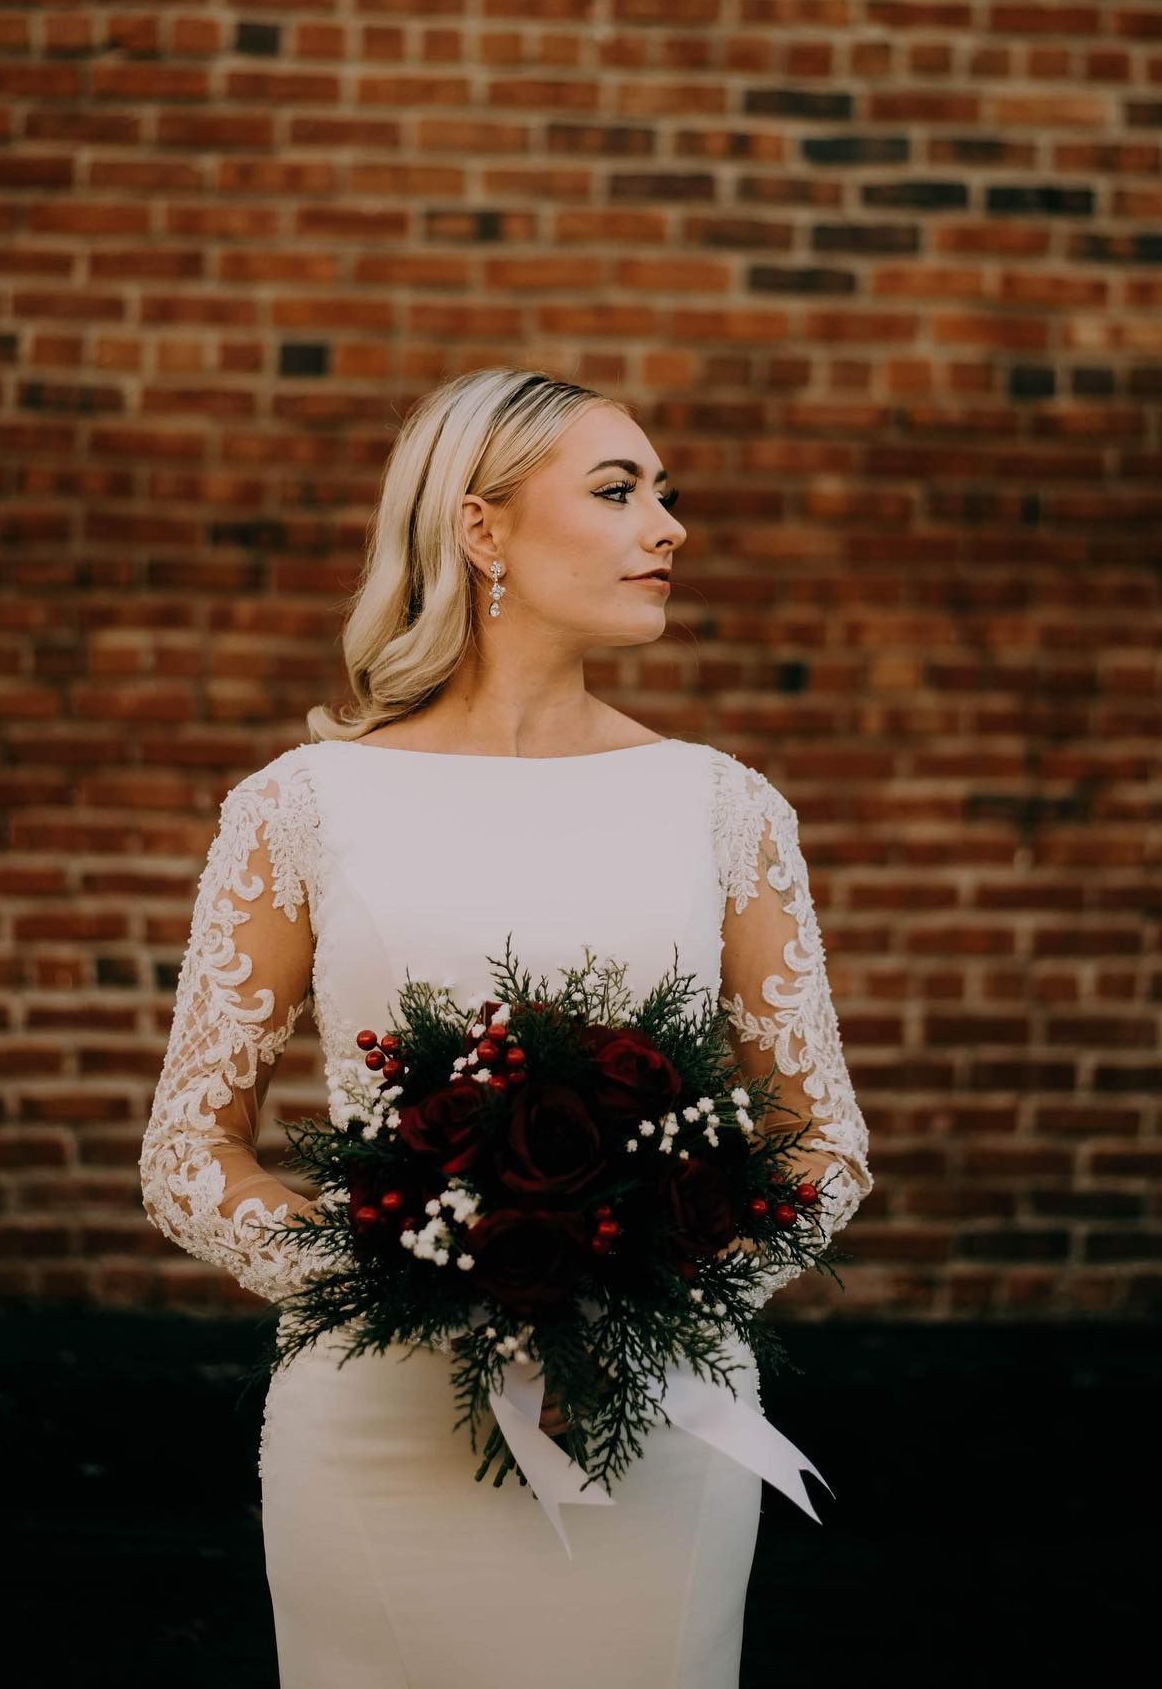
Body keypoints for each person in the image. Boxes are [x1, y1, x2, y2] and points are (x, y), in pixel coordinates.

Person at [139, 367, 873, 1689]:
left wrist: (658, 1281)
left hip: (655, 1425)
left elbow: (822, 1140)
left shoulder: (722, 808)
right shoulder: (303, 807)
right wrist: (395, 1282)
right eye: (618, 490)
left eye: (666, 493)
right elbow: (191, 1148)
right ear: (481, 529)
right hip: (379, 1427)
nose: (669, 526)